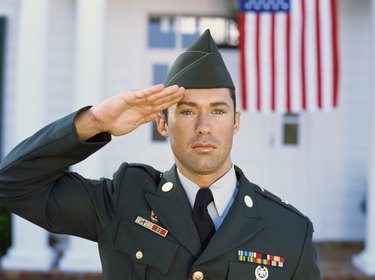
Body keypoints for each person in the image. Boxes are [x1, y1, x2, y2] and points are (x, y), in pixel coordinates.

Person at [0, 30, 320, 280]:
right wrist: (94, 122)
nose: (204, 127)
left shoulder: (290, 230)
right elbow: (11, 184)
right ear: (163, 123)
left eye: (218, 111)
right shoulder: (123, 201)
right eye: (187, 111)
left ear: (236, 122)